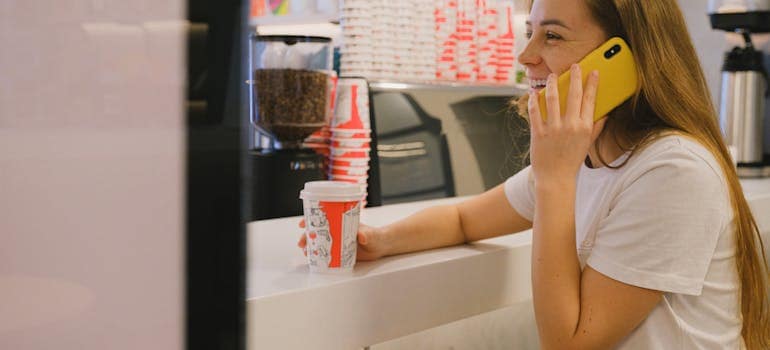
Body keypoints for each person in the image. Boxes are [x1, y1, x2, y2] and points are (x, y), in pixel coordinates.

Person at [298, 0, 770, 348]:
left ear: (625, 59)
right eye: (530, 32)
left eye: (553, 36)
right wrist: (381, 241)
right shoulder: (591, 154)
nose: (526, 56)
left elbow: (567, 344)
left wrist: (554, 179)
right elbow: (465, 219)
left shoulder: (673, 170)